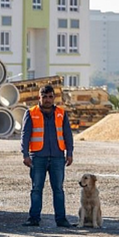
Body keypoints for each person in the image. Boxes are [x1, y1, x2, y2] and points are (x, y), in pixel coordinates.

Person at [20, 84, 74, 228]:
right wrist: (25, 154)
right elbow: (25, 135)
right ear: (40, 97)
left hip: (57, 157)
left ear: (54, 97)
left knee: (58, 189)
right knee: (36, 189)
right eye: (45, 97)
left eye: (50, 97)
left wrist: (70, 153)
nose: (48, 100)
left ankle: (61, 219)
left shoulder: (61, 113)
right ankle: (34, 219)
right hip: (38, 157)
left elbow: (67, 134)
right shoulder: (31, 113)